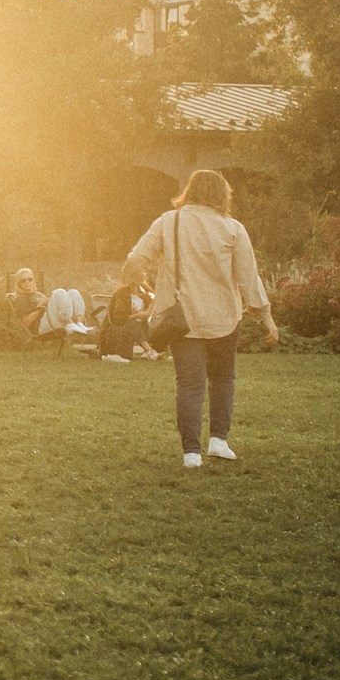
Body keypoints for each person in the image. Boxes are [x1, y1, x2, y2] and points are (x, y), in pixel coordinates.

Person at [127, 169, 279, 469]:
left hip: (182, 318)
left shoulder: (169, 222)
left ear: (190, 191)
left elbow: (136, 259)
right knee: (223, 378)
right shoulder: (233, 229)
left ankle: (191, 453)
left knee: (189, 384)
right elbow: (249, 278)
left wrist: (136, 280)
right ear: (223, 195)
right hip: (224, 316)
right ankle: (219, 441)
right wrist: (267, 317)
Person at [99, 265, 156, 362]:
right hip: (118, 324)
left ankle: (147, 352)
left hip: (138, 325)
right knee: (133, 324)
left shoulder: (144, 296)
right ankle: (149, 350)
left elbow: (151, 308)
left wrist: (144, 314)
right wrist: (136, 315)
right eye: (139, 280)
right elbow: (117, 318)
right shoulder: (122, 294)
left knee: (146, 324)